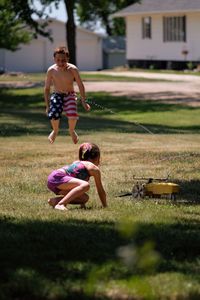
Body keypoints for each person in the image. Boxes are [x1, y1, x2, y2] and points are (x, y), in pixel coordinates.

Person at [44, 46, 90, 144]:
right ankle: (55, 130)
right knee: (54, 114)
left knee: (72, 114)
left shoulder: (73, 69)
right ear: (54, 59)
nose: (61, 63)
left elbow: (80, 85)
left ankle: (72, 130)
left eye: (63, 60)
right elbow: (47, 88)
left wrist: (83, 101)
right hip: (57, 94)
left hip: (70, 94)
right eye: (58, 60)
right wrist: (47, 106)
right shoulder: (51, 70)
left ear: (68, 59)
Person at [47, 142, 107, 210]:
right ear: (97, 157)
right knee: (85, 185)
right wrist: (105, 206)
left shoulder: (78, 162)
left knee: (84, 198)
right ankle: (61, 204)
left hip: (53, 180)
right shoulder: (93, 168)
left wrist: (82, 204)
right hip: (58, 177)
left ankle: (55, 201)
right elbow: (100, 190)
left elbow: (76, 186)